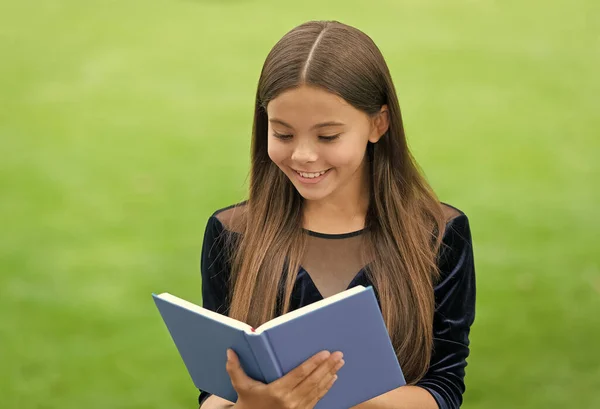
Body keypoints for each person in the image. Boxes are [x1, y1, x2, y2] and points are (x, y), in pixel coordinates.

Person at [198, 20, 476, 409]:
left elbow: (444, 388)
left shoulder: (437, 234)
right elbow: (214, 391)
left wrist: (314, 392)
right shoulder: (233, 233)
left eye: (327, 136)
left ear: (378, 124)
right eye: (282, 134)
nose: (303, 156)